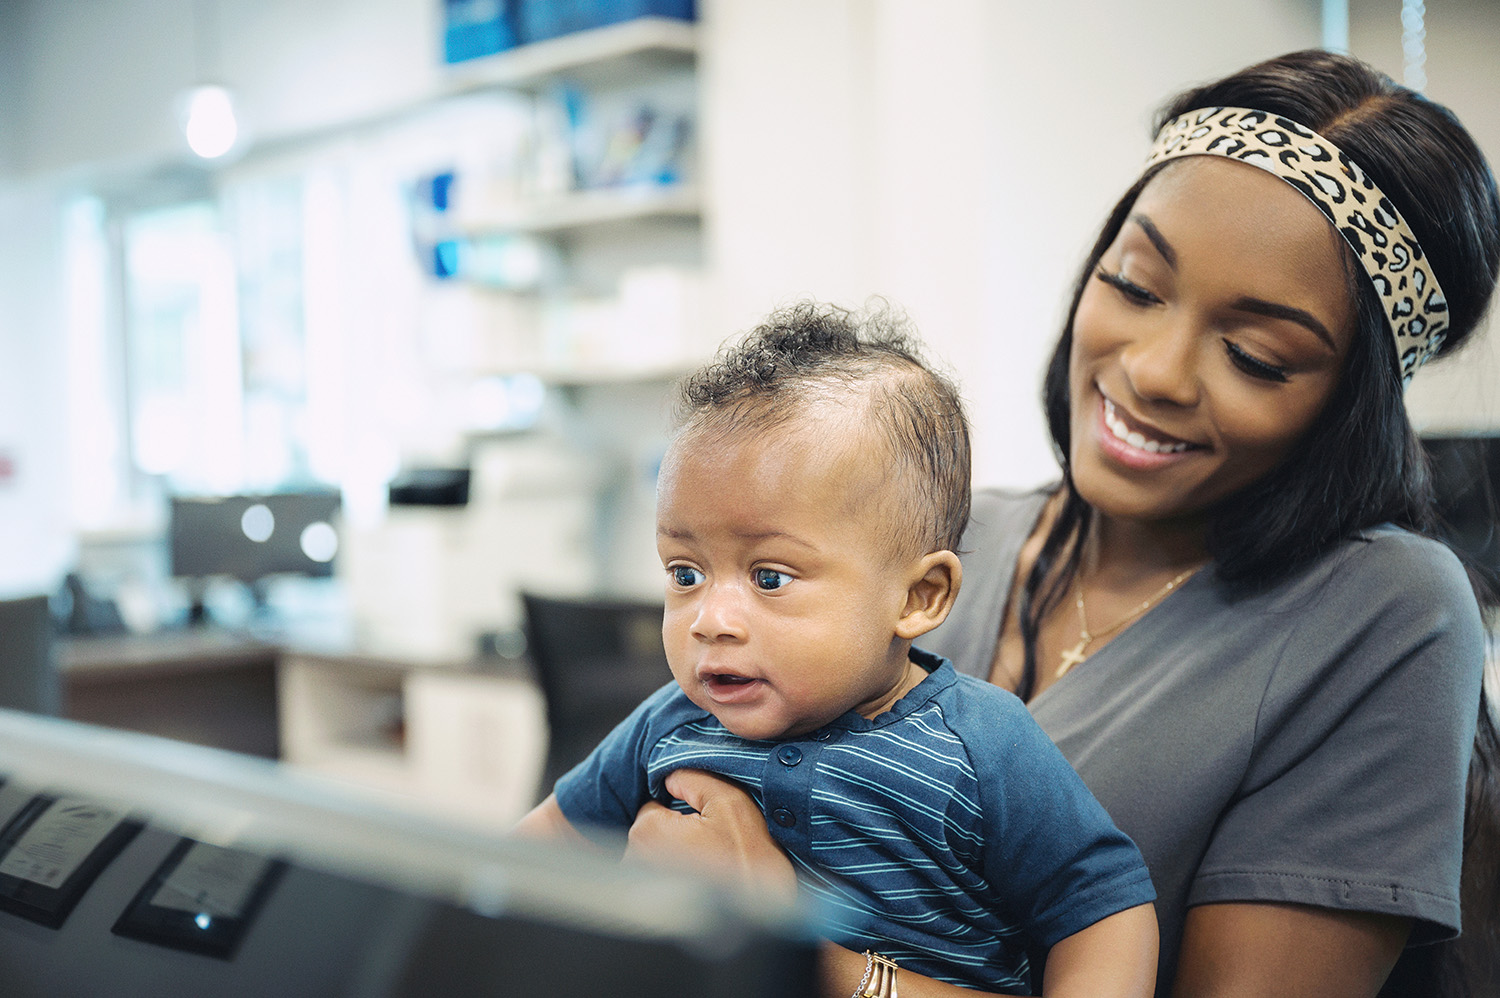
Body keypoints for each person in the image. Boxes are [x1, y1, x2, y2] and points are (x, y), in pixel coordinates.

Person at [622, 51, 1500, 998]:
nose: (1156, 369)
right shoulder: (954, 543)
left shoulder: (1383, 612)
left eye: (1255, 354)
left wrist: (793, 949)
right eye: (1135, 285)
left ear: (1350, 402)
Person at [515, 302, 1160, 997]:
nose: (710, 618)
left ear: (919, 598)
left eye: (770, 577)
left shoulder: (984, 745)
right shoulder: (667, 725)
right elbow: (531, 858)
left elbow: (1103, 913)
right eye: (686, 573)